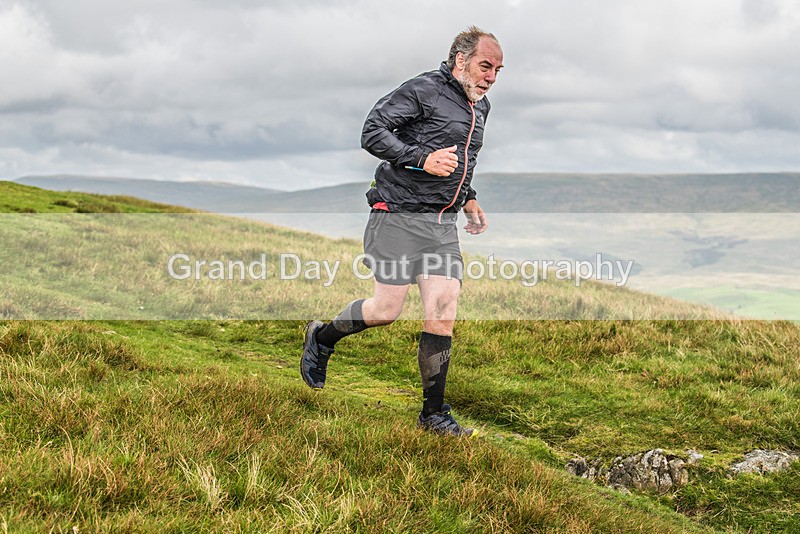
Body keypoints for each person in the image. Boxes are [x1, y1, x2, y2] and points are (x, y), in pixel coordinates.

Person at [301, 26, 503, 437]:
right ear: (460, 59)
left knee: (442, 312)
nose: (492, 77)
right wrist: (421, 159)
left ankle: (433, 414)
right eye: (486, 66)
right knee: (385, 311)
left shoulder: (481, 108)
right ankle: (321, 337)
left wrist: (468, 197)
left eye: (499, 70)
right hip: (395, 214)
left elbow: (464, 158)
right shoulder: (421, 90)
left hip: (440, 224)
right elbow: (372, 133)